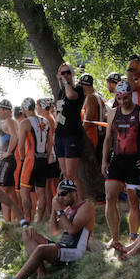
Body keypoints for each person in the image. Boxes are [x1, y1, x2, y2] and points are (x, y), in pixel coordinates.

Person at [101, 80, 140, 250]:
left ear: (131, 96)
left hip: (135, 163)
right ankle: (114, 238)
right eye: (119, 98)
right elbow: (107, 140)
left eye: (126, 98)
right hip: (117, 161)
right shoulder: (113, 113)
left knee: (134, 201)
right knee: (110, 196)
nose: (123, 102)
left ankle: (133, 236)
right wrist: (104, 161)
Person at [9, 180, 94, 279]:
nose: (60, 198)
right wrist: (54, 209)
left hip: (75, 250)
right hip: (63, 246)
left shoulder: (86, 207)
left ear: (74, 193)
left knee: (41, 249)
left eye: (63, 194)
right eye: (58, 195)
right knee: (28, 234)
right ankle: (42, 275)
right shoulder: (68, 210)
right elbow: (54, 231)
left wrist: (59, 210)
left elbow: (72, 230)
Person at [53, 63, 86, 198]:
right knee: (66, 174)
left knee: (72, 175)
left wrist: (67, 83)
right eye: (63, 73)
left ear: (72, 74)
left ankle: (80, 203)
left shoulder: (77, 89)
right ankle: (70, 203)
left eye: (68, 72)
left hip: (72, 135)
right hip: (60, 135)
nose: (66, 75)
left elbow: (72, 96)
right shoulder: (61, 93)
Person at [18, 97, 51, 222]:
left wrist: (22, 160)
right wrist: (46, 156)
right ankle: (40, 220)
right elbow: (49, 142)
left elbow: (21, 146)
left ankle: (28, 218)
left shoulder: (25, 123)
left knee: (24, 191)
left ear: (24, 109)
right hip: (43, 159)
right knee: (41, 192)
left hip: (31, 159)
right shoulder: (45, 121)